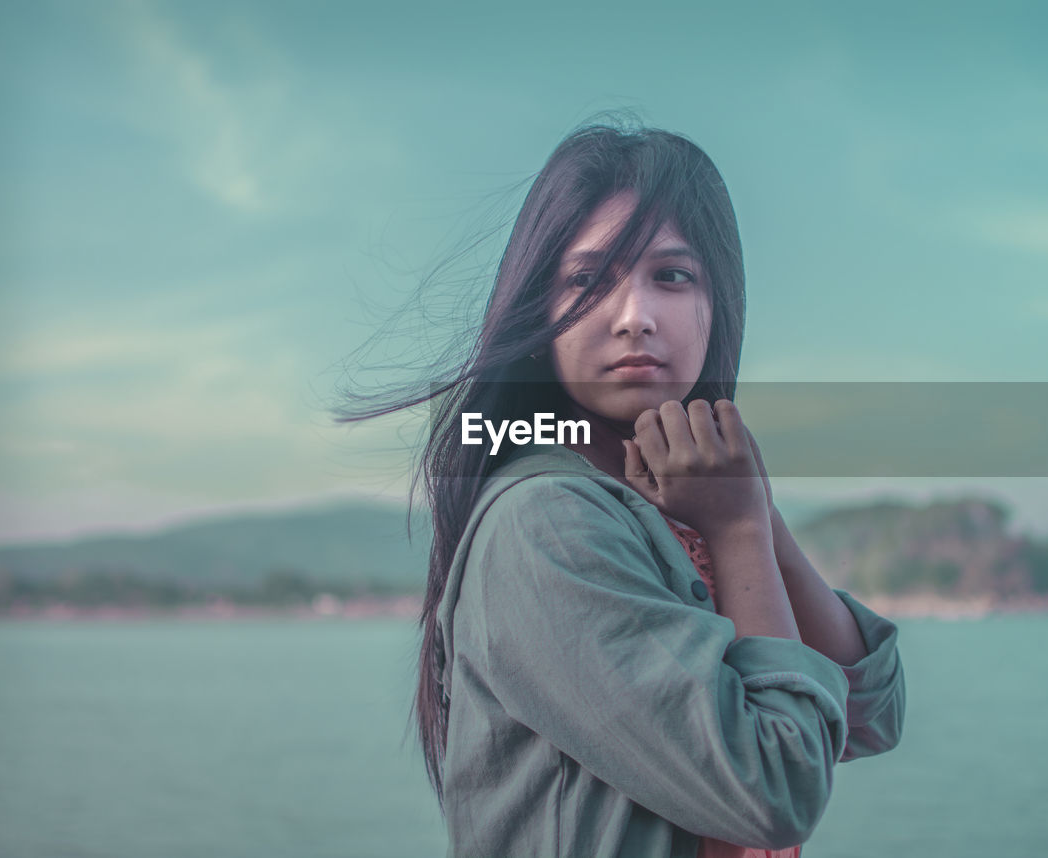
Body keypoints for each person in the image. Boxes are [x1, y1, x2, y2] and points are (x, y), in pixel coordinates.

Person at [340, 121, 906, 858]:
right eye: (586, 280)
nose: (634, 316)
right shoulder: (546, 520)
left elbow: (870, 710)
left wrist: (753, 512)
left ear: (718, 307)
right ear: (539, 320)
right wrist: (737, 532)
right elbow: (776, 788)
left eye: (671, 276)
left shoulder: (671, 507)